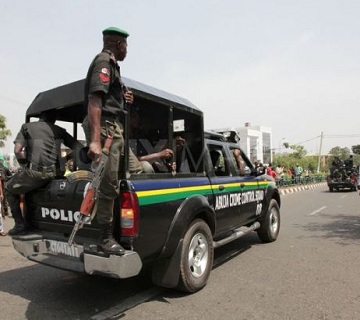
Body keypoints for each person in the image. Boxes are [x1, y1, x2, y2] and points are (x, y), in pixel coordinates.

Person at [82, 26, 144, 255]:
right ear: (119, 44)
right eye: (125, 46)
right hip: (106, 129)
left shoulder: (113, 67)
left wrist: (124, 98)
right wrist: (95, 141)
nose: (127, 50)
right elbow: (95, 100)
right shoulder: (104, 62)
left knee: (132, 171)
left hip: (113, 127)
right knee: (107, 185)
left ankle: (117, 226)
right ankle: (104, 238)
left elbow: (109, 99)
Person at [5, 110, 83, 236]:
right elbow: (79, 148)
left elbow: (18, 151)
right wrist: (65, 159)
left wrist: (25, 165)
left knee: (9, 188)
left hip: (35, 173)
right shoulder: (59, 130)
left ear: (40, 117)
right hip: (56, 174)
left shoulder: (27, 127)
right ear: (54, 119)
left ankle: (20, 225)